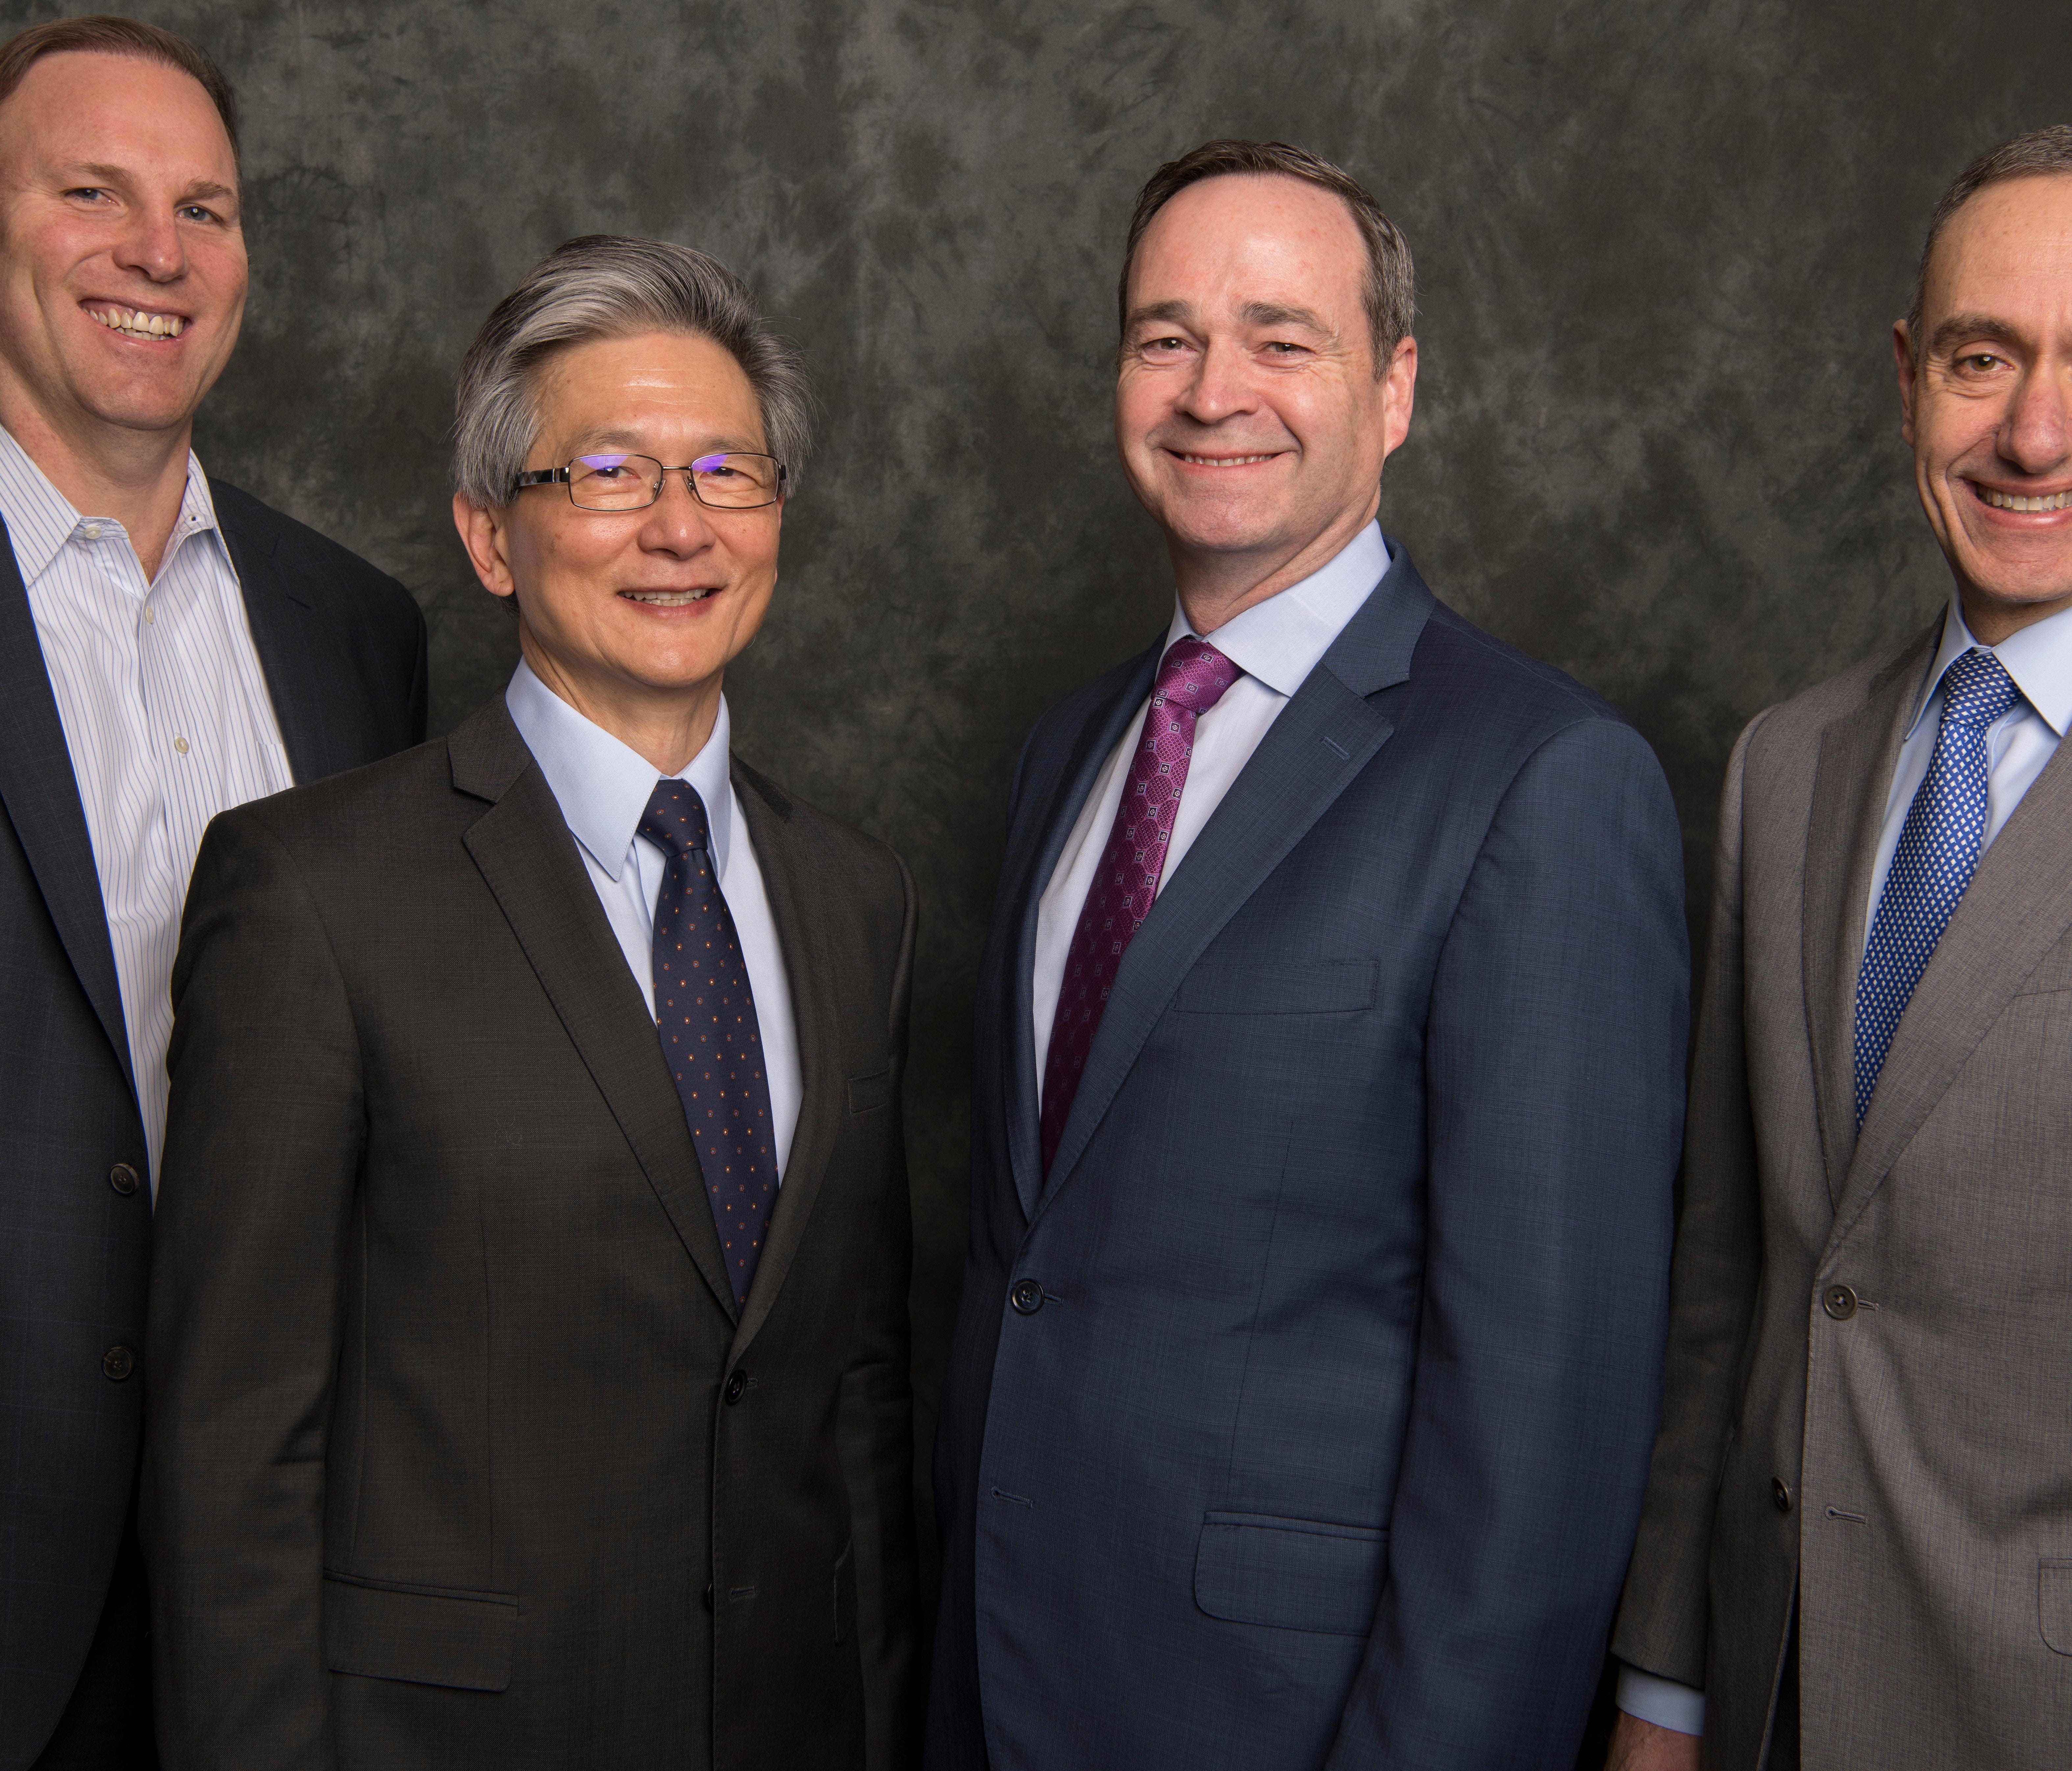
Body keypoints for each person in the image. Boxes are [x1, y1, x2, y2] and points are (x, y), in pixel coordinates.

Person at [925, 138, 1689, 1771]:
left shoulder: (1541, 778)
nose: (1217, 390)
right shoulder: (1068, 754)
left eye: (1284, 338)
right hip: (1006, 1674)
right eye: (1165, 337)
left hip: (1294, 1719)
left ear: (1395, 387)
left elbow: (1541, 1426)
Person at [140, 235, 921, 1771]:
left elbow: (855, 1394)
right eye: (611, 472)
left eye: (728, 471)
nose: (680, 525)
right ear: (492, 537)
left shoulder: (855, 896)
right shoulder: (310, 891)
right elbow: (234, 1451)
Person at [1609, 124, 2072, 1771]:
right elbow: (1733, 1280)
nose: (2033, 430)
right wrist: (1663, 1686)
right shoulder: (1785, 766)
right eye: (1981, 357)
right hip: (1762, 1696)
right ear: (1905, 377)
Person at [0, 17, 424, 1768]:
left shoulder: (360, 633)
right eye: (91, 193)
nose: (156, 251)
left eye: (203, 207)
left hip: (298, 1579)